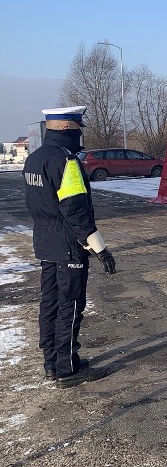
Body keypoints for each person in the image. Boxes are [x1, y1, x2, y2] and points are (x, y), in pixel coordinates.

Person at [22, 106, 113, 388]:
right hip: (68, 244)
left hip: (45, 241)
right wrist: (99, 247)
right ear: (66, 128)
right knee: (70, 304)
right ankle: (67, 368)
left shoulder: (34, 159)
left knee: (49, 303)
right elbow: (75, 210)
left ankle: (51, 362)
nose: (80, 134)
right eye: (77, 129)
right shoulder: (66, 161)